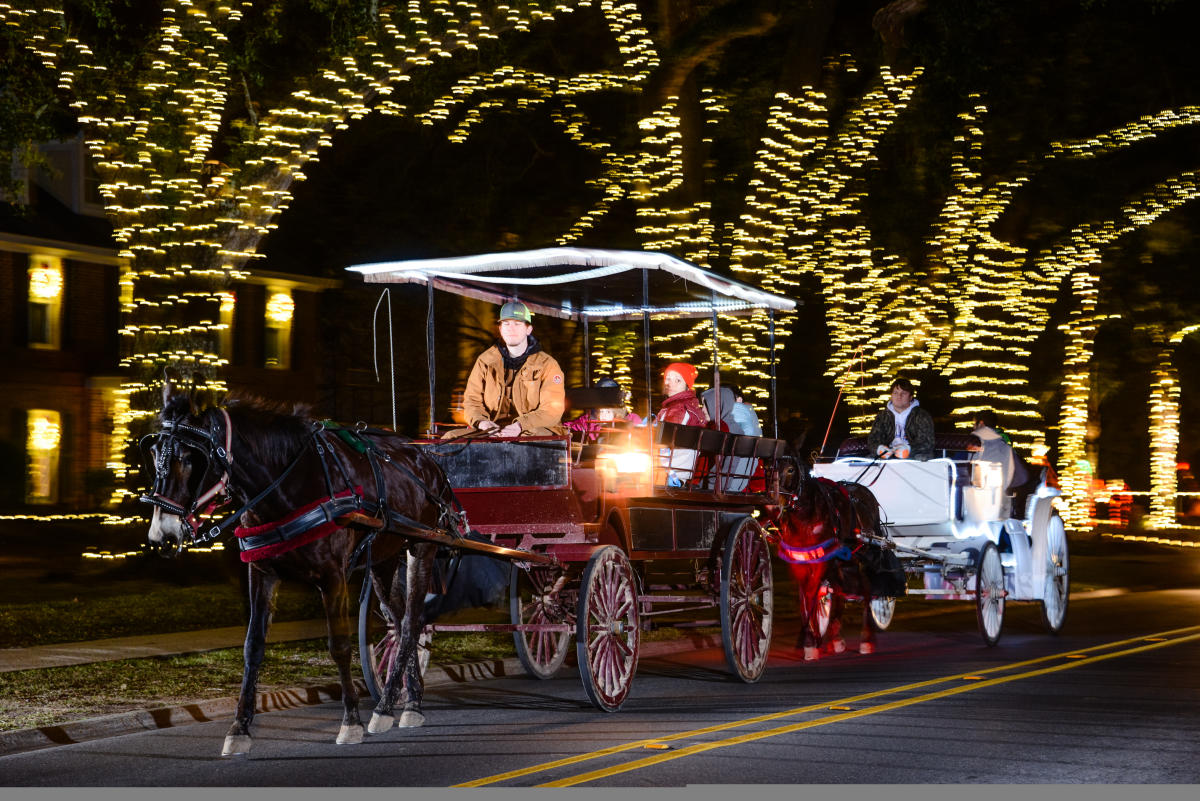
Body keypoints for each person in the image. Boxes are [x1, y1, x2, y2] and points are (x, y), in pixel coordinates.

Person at [443, 300, 565, 439]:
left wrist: (519, 426)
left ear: (528, 329)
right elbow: (472, 401)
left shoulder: (547, 365)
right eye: (506, 324)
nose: (511, 329)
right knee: (451, 437)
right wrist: (483, 423)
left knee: (527, 441)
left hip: (531, 429)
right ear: (500, 329)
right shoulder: (485, 361)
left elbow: (552, 410)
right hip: (494, 430)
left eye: (517, 324)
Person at [867, 376, 934, 460]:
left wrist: (909, 450)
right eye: (895, 393)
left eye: (904, 393)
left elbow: (927, 442)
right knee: (869, 461)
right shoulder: (883, 416)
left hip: (913, 457)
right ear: (891, 396)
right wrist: (879, 449)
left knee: (922, 458)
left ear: (910, 397)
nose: (899, 396)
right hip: (889, 456)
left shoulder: (921, 415)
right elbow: (873, 440)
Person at [564, 377, 643, 442]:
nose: (604, 415)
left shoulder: (630, 419)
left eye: (608, 411)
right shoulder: (588, 421)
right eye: (601, 411)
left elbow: (640, 432)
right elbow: (567, 427)